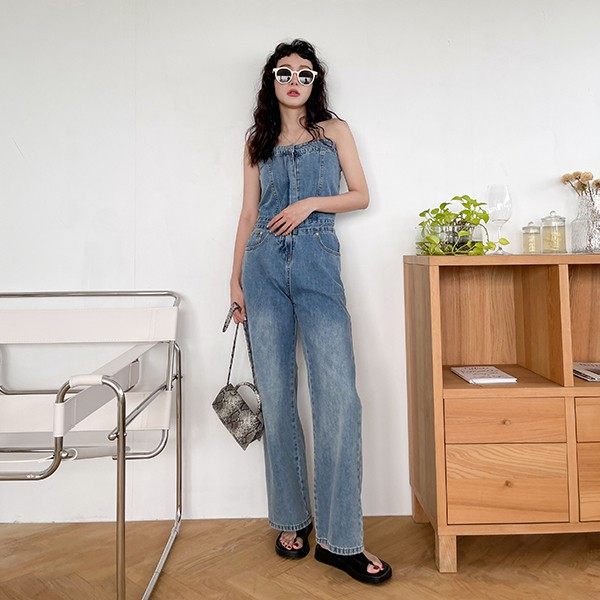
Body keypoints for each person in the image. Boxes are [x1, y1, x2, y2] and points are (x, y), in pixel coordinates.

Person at [229, 39, 392, 585]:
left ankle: (340, 539)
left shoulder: (334, 131)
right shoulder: (257, 141)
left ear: (316, 81)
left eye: (304, 73)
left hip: (317, 260)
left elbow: (360, 194)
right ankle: (291, 517)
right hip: (262, 265)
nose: (294, 81)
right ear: (271, 81)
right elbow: (248, 214)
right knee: (276, 396)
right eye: (284, 73)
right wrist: (235, 280)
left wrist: (309, 204)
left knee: (338, 395)